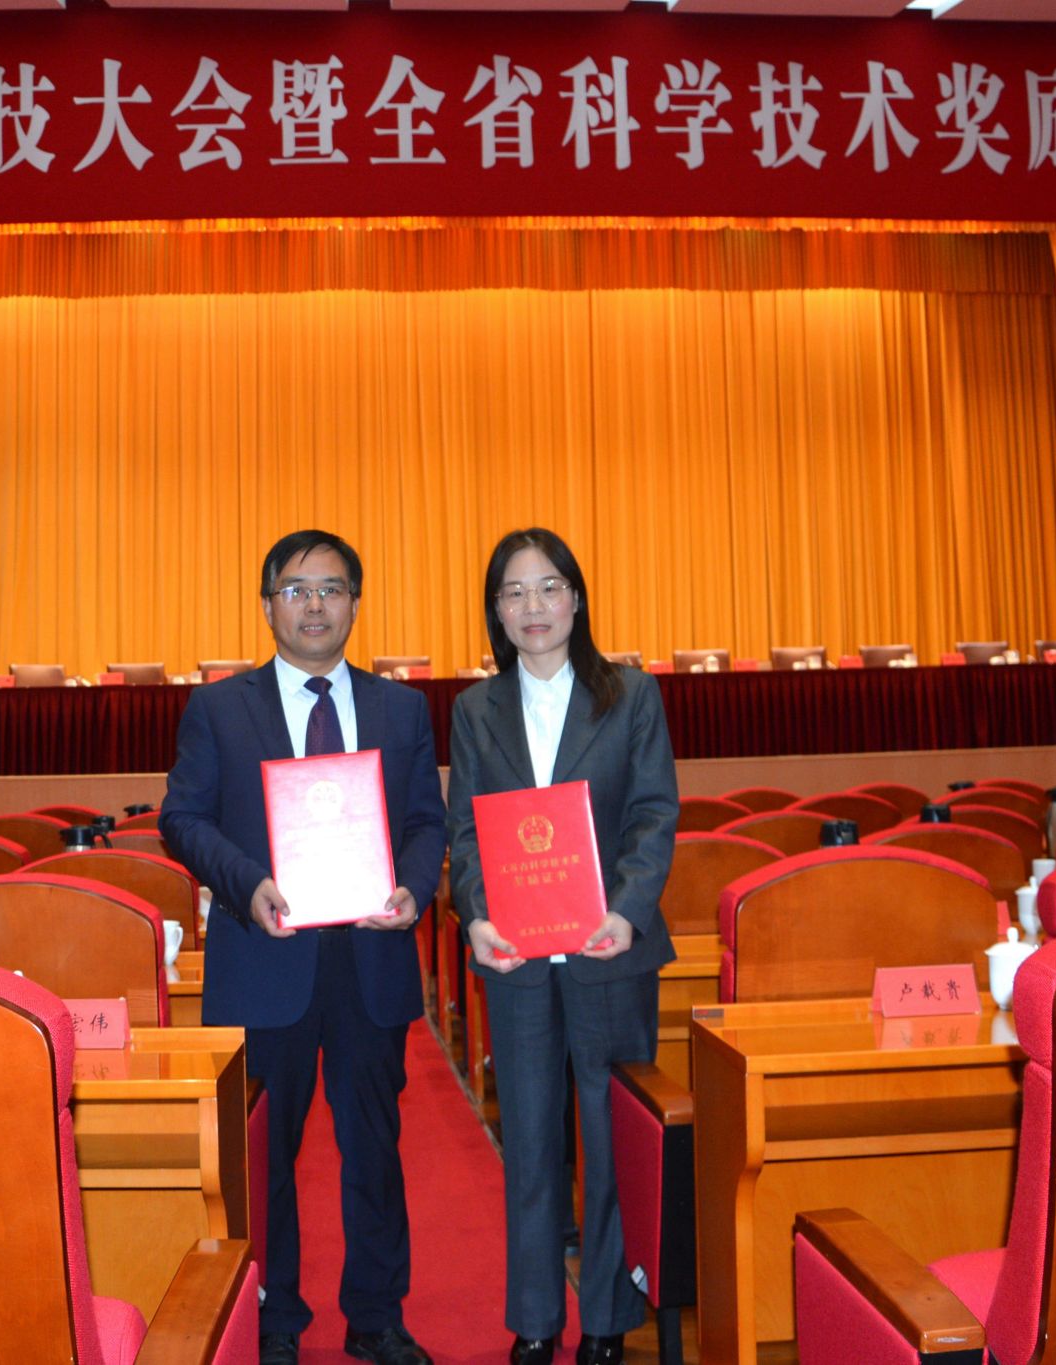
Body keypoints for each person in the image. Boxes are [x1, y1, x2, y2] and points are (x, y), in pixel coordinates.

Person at [161, 530, 447, 1365]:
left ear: (355, 603)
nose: (314, 604)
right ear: (267, 606)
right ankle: (275, 1316)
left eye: (331, 588)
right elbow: (183, 818)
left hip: (370, 958)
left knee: (374, 1148)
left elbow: (426, 823)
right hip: (264, 958)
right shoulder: (220, 708)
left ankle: (377, 1316)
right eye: (296, 589)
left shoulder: (400, 709)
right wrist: (247, 883)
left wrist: (412, 889)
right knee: (267, 1155)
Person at [445, 528, 679, 1365]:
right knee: (532, 1144)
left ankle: (609, 1317)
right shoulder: (475, 710)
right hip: (515, 959)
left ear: (576, 598)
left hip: (608, 951)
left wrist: (625, 910)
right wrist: (475, 915)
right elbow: (465, 833)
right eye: (513, 593)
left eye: (548, 587)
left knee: (611, 1143)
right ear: (496, 611)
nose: (532, 606)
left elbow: (653, 814)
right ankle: (537, 1318)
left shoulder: (631, 695)